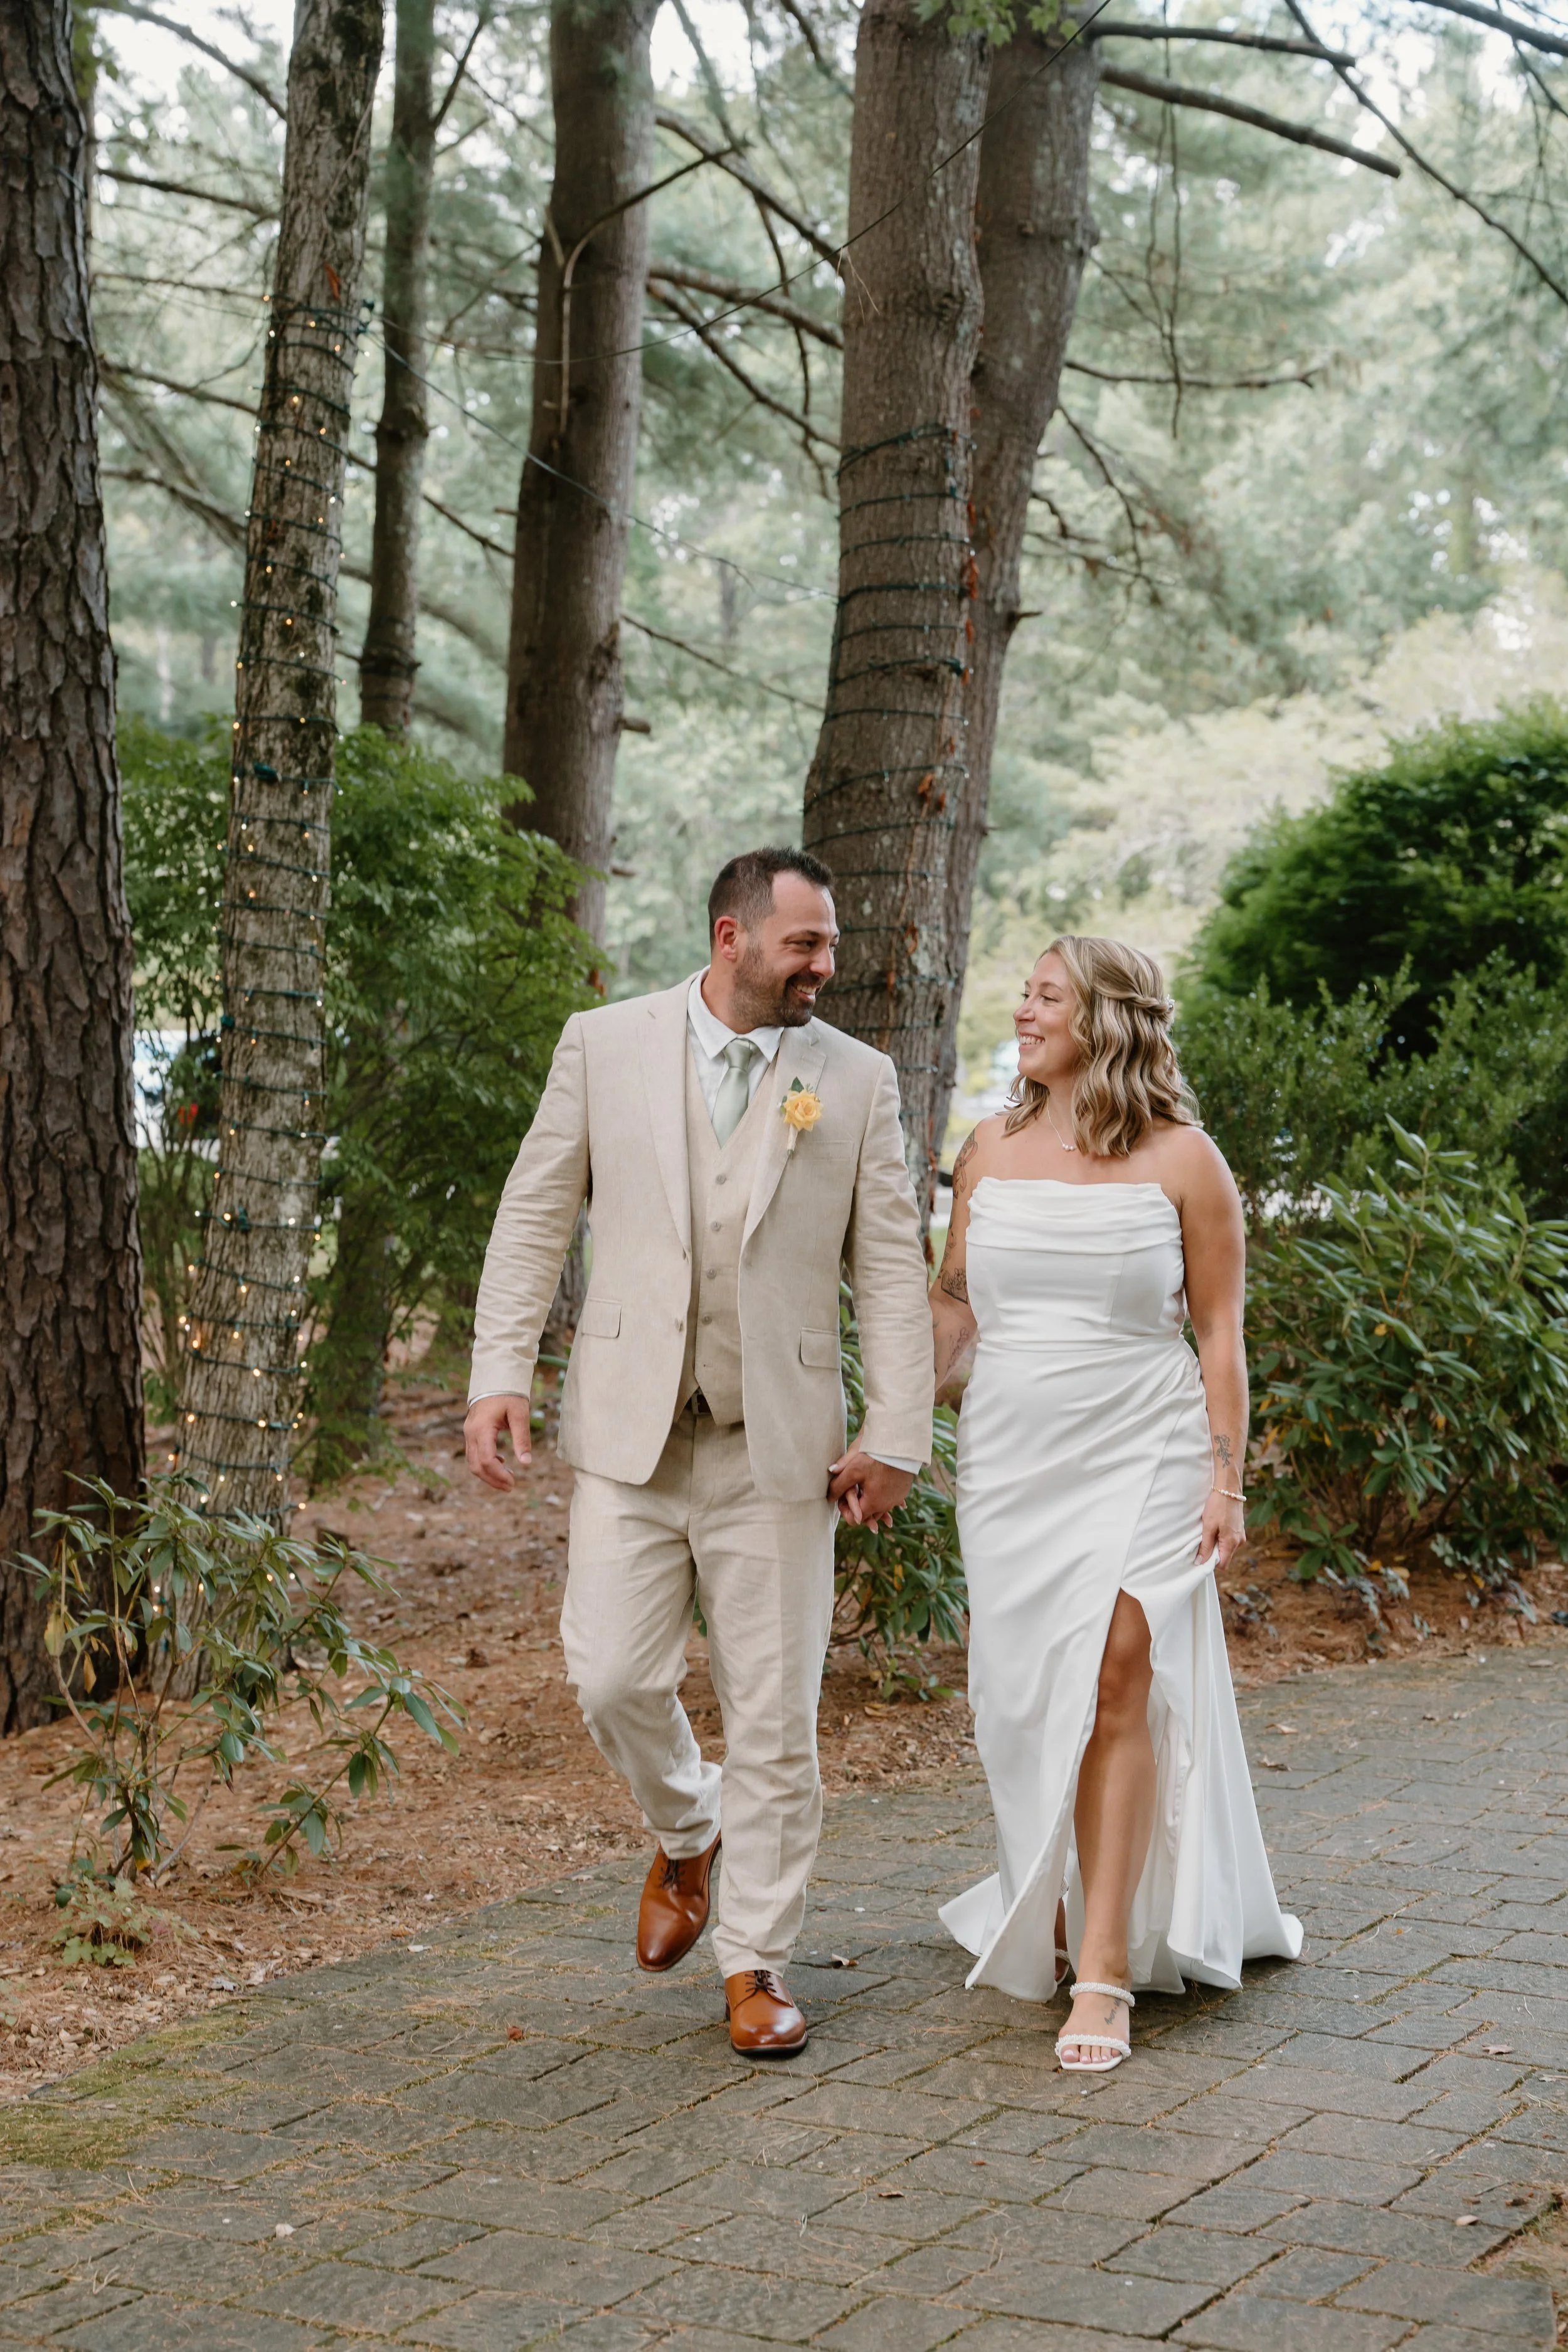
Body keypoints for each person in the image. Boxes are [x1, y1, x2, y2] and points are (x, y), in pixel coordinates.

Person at [465, 847, 933, 2056]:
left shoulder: (857, 1081)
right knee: (611, 1677)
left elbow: (887, 1269)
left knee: (775, 1718)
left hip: (778, 1445)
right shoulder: (604, 1043)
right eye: (805, 945)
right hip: (631, 1433)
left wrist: (896, 1433)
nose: (825, 967)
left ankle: (756, 1962)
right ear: (733, 937)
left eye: (829, 946)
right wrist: (498, 1371)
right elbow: (532, 1209)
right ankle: (689, 1827)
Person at [931, 936, 1301, 2072]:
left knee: (1118, 1676)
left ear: (1110, 1017)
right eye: (1026, 993)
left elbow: (1220, 1331)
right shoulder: (985, 1150)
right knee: (1018, 1692)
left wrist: (1227, 1473)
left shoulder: (1189, 1162)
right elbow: (953, 1308)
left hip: (1145, 1443)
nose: (1023, 1008)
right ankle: (1037, 1887)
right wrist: (885, 1431)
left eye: (1048, 994)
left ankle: (1101, 1969)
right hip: (1011, 1457)